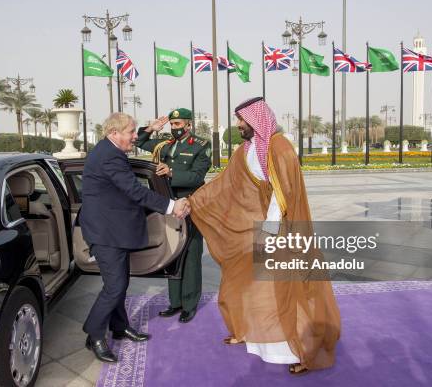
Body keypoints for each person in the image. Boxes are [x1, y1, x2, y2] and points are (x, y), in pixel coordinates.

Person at [188, 98, 340, 375]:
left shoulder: (279, 147)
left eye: (241, 120)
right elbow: (225, 183)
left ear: (255, 119)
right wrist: (193, 202)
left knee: (286, 288)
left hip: (280, 227)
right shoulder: (246, 149)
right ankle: (247, 330)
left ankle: (297, 349)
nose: (238, 125)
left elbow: (283, 193)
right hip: (257, 224)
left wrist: (268, 232)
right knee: (243, 278)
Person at [80, 112, 190, 363]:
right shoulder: (109, 157)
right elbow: (133, 190)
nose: (134, 136)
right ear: (114, 134)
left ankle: (119, 327)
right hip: (106, 232)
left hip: (113, 229)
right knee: (115, 286)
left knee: (120, 282)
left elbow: (130, 145)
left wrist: (148, 130)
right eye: (130, 132)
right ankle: (94, 334)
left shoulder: (109, 149)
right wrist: (172, 206)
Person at [135, 108, 211, 323]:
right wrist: (151, 129)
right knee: (172, 252)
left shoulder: (201, 145)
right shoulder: (164, 144)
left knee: (191, 255)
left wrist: (171, 173)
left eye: (178, 124)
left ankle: (189, 304)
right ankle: (175, 302)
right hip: (168, 206)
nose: (174, 128)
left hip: (190, 205)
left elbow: (197, 177)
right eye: (172, 124)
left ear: (188, 125)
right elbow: (139, 142)